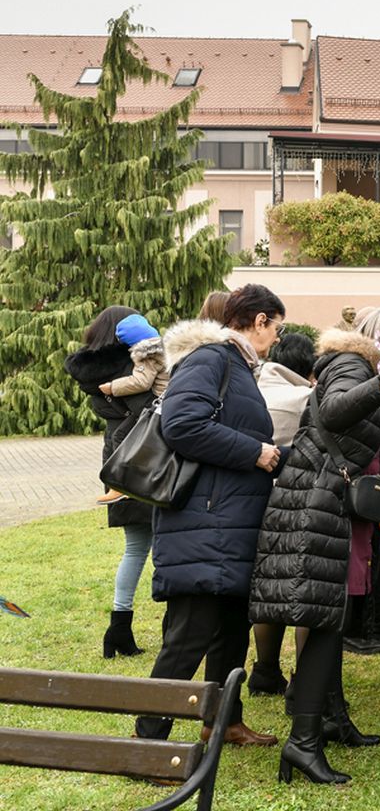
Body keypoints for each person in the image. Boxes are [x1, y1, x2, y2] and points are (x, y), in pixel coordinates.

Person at [248, 306, 380, 785]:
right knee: (324, 619)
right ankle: (303, 743)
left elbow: (355, 437)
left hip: (325, 496)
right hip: (314, 498)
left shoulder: (365, 369)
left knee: (331, 616)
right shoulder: (350, 363)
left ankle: (330, 720)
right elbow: (337, 411)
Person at [134, 285, 286, 748]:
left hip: (228, 526)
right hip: (205, 527)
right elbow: (182, 425)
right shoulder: (212, 359)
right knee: (188, 639)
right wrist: (255, 452)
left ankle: (223, 722)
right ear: (259, 321)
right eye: (277, 327)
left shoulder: (238, 365)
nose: (278, 337)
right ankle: (148, 740)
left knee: (231, 632)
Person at [64, 305, 157, 658]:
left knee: (136, 548)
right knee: (160, 546)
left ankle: (119, 628)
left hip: (117, 460)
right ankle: (167, 628)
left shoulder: (93, 372)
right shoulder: (134, 366)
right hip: (148, 459)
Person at [247, 331, 318, 697]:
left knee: (266, 588)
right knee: (304, 591)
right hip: (297, 499)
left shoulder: (253, 387)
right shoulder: (307, 397)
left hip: (254, 499)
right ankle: (304, 677)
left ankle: (264, 670)